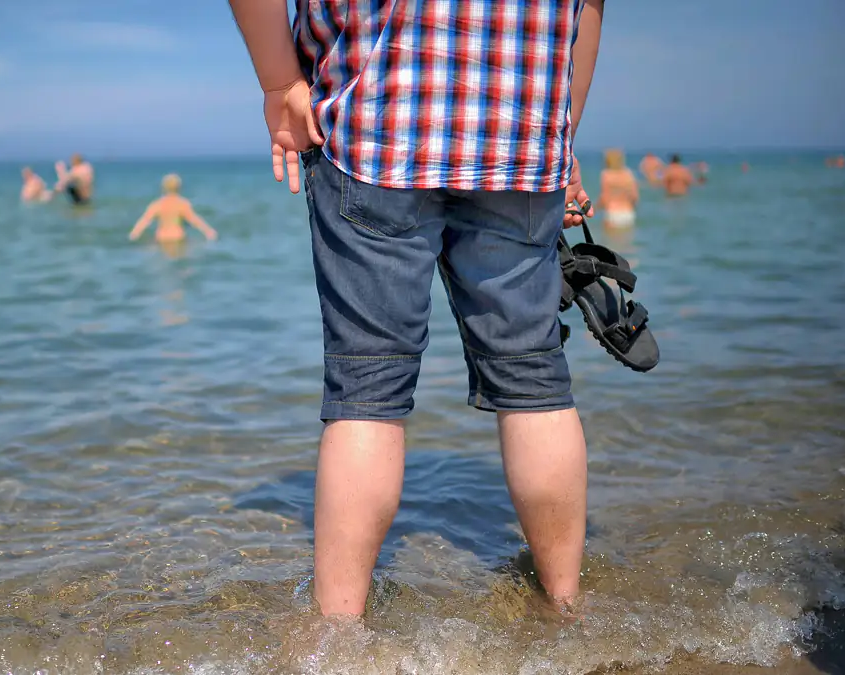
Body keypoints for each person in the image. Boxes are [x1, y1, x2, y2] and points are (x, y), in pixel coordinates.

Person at [228, 0, 603, 618]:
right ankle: (565, 607)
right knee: (534, 379)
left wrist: (280, 84)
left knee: (366, 387)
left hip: (377, 125)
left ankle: (338, 640)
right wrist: (561, 133)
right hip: (521, 133)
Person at [128, 174, 218, 244]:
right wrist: (209, 232)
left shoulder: (156, 204)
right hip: (178, 238)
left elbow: (144, 221)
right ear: (179, 187)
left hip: (161, 239)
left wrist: (134, 234)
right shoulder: (182, 203)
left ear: (163, 187)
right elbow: (195, 220)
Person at [599, 149, 639, 228]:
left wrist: (593, 209)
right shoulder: (629, 174)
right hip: (628, 213)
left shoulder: (606, 174)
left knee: (610, 240)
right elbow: (635, 197)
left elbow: (604, 198)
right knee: (626, 239)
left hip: (612, 212)